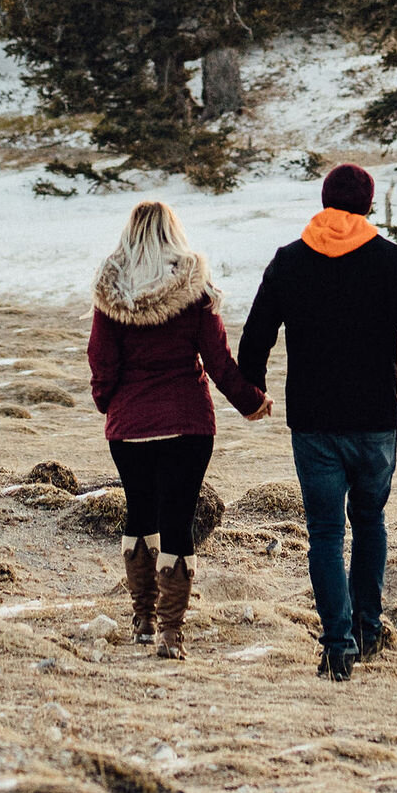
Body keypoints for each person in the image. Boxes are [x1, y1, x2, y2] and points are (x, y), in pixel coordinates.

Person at [236, 161, 397, 681]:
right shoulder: (393, 262)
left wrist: (252, 394)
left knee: (326, 534)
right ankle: (369, 629)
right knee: (370, 521)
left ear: (324, 202)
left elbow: (255, 337)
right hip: (376, 421)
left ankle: (338, 646)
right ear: (368, 206)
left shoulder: (289, 262)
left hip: (313, 423)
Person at [86, 198, 268, 659]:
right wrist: (252, 403)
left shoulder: (112, 293)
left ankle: (143, 619)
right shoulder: (195, 289)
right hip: (187, 423)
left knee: (139, 512)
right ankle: (171, 634)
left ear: (130, 235)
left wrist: (109, 402)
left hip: (130, 428)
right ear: (173, 232)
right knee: (177, 520)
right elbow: (220, 362)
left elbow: (102, 361)